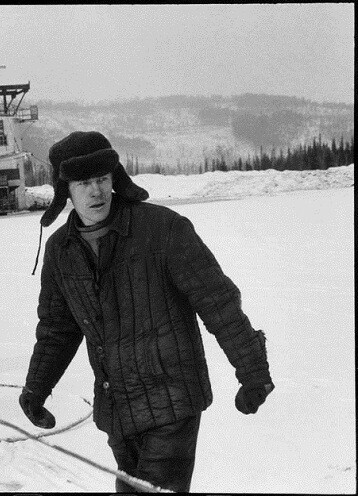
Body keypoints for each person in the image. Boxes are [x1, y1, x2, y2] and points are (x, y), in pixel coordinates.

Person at [19, 131, 274, 492]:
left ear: (114, 180)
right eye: (84, 182)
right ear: (66, 191)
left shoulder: (163, 230)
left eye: (102, 179)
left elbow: (217, 302)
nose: (96, 191)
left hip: (173, 402)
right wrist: (36, 387)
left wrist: (254, 370)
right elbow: (58, 329)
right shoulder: (62, 250)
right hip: (118, 410)